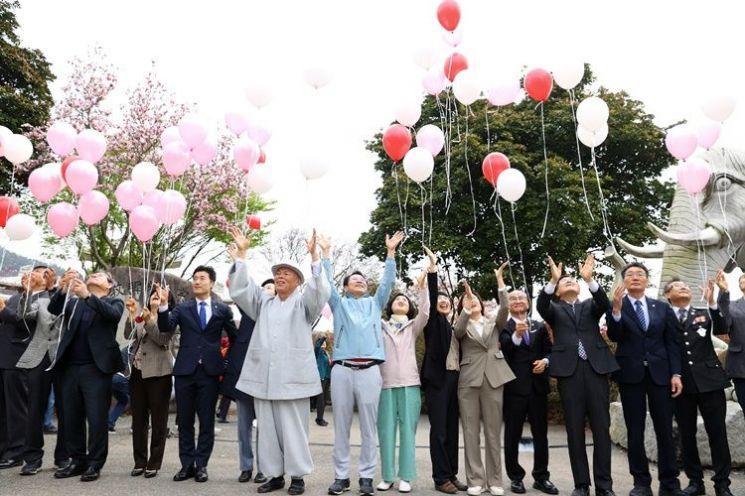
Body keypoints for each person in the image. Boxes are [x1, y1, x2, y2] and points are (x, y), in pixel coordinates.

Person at [228, 226, 330, 495]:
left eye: (286, 273)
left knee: (293, 430)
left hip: (293, 377)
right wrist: (241, 256)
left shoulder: (303, 304)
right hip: (264, 376)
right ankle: (274, 475)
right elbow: (241, 291)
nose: (280, 276)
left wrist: (315, 260)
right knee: (268, 429)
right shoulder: (263, 302)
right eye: (277, 273)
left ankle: (297, 477)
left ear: (298, 280)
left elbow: (319, 294)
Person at [323, 231, 403, 496]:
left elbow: (387, 283)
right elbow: (327, 285)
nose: (360, 281)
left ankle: (366, 476)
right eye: (354, 280)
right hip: (342, 371)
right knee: (341, 426)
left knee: (369, 428)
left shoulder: (374, 303)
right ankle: (341, 477)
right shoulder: (338, 304)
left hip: (370, 370)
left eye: (363, 280)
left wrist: (390, 253)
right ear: (345, 287)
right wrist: (325, 256)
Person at [537, 255, 618, 496]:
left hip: (595, 370)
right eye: (565, 282)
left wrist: (589, 279)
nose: (570, 282)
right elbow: (541, 306)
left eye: (573, 280)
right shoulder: (553, 309)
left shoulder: (589, 307)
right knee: (574, 430)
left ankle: (604, 486)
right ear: (558, 293)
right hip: (568, 374)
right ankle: (581, 484)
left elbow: (603, 303)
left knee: (601, 429)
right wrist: (552, 279)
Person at [606, 262, 686, 496]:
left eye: (640, 274)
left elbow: (672, 343)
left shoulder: (661, 307)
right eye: (629, 275)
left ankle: (670, 483)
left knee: (665, 429)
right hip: (631, 375)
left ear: (648, 280)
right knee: (635, 430)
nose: (635, 277)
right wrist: (617, 311)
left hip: (660, 375)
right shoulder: (617, 306)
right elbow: (614, 335)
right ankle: (641, 483)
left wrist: (676, 374)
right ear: (623, 282)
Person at [158, 265, 237, 483]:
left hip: (210, 372)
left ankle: (201, 465)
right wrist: (164, 305)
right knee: (184, 421)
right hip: (185, 371)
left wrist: (226, 362)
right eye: (194, 278)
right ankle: (187, 465)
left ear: (211, 282)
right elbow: (166, 328)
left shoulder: (223, 310)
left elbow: (235, 338)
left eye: (202, 278)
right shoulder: (183, 308)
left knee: (206, 421)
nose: (197, 281)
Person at [48, 269, 125, 482]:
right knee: (71, 417)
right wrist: (63, 289)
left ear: (109, 285)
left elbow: (114, 316)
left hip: (96, 369)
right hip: (70, 367)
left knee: (97, 417)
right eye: (91, 274)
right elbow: (54, 308)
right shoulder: (74, 303)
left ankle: (94, 463)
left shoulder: (113, 302)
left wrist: (87, 295)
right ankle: (77, 460)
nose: (93, 276)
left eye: (100, 275)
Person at [664, 274, 733, 496]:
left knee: (718, 433)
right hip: (680, 385)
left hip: (710, 382)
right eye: (677, 286)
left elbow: (722, 326)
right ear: (667, 295)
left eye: (686, 286)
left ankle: (722, 484)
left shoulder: (704, 313)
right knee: (686, 434)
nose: (683, 288)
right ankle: (696, 482)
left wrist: (713, 301)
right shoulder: (663, 319)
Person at [454, 263, 514, 496]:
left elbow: (505, 308)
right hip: (468, 380)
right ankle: (475, 480)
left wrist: (500, 281)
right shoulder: (461, 323)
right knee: (470, 432)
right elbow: (458, 332)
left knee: (492, 431)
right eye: (469, 301)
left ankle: (495, 481)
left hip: (493, 378)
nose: (473, 302)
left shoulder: (493, 323)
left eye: (476, 300)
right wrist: (466, 310)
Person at [376, 266, 430, 493]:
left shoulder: (412, 327)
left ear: (409, 308)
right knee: (386, 432)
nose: (400, 301)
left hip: (409, 384)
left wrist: (422, 288)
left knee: (408, 432)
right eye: (397, 299)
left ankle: (406, 476)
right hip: (384, 385)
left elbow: (426, 313)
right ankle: (387, 476)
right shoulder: (380, 325)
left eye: (405, 300)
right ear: (390, 306)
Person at [499, 289, 558, 495]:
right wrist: (516, 335)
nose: (517, 301)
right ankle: (515, 477)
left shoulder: (539, 326)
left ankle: (541, 477)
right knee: (512, 435)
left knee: (540, 435)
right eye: (512, 298)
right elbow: (504, 351)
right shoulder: (503, 326)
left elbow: (550, 351)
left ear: (527, 302)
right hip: (513, 389)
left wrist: (546, 361)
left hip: (538, 389)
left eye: (520, 298)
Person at [420, 248, 466, 494]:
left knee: (451, 429)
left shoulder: (453, 325)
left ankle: (451, 474)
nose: (444, 301)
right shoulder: (432, 322)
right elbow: (431, 292)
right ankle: (440, 478)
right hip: (437, 380)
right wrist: (433, 269)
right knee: (439, 430)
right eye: (440, 299)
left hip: (455, 379)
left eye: (447, 299)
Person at [221, 277, 276, 484]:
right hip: (245, 377)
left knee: (265, 429)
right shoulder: (249, 308)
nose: (267, 290)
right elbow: (240, 290)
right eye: (264, 287)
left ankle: (264, 468)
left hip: (267, 379)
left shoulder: (278, 313)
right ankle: (246, 467)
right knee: (243, 428)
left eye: (271, 288)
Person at [15, 267, 68, 475]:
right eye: (38, 274)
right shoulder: (36, 299)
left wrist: (59, 289)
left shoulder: (66, 296)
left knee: (64, 410)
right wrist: (26, 293)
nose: (40, 276)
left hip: (63, 359)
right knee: (35, 409)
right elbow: (23, 318)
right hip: (38, 357)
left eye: (46, 273)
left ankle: (63, 457)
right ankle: (32, 458)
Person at [125, 284, 174, 479]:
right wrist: (132, 315)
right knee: (138, 420)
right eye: (154, 293)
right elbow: (128, 336)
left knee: (159, 420)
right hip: (137, 371)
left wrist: (149, 320)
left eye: (160, 294)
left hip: (159, 374)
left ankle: (154, 463)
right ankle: (139, 461)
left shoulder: (168, 317)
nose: (156, 296)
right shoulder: (142, 313)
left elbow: (163, 339)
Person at [0, 270, 40, 471]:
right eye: (25, 275)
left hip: (18, 358)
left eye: (33, 275)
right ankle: (4, 449)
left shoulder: (41, 299)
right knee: (3, 409)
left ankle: (16, 452)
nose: (27, 277)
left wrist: (2, 310)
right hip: (3, 356)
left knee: (16, 409)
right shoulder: (14, 297)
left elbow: (25, 321)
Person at [723, 272, 745, 419]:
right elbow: (723, 324)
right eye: (742, 278)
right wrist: (723, 293)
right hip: (741, 367)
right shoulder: (731, 307)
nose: (744, 279)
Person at [107, 346, 130, 431]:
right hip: (122, 378)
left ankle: (109, 424)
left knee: (123, 400)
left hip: (111, 378)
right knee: (139, 399)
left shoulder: (125, 349)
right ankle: (137, 426)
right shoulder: (138, 349)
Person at [313, 333, 332, 427]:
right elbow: (317, 346)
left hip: (327, 377)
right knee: (320, 399)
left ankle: (321, 418)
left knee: (324, 399)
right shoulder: (318, 351)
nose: (324, 343)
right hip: (321, 377)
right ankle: (319, 419)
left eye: (325, 342)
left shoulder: (326, 353)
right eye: (322, 342)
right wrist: (323, 337)